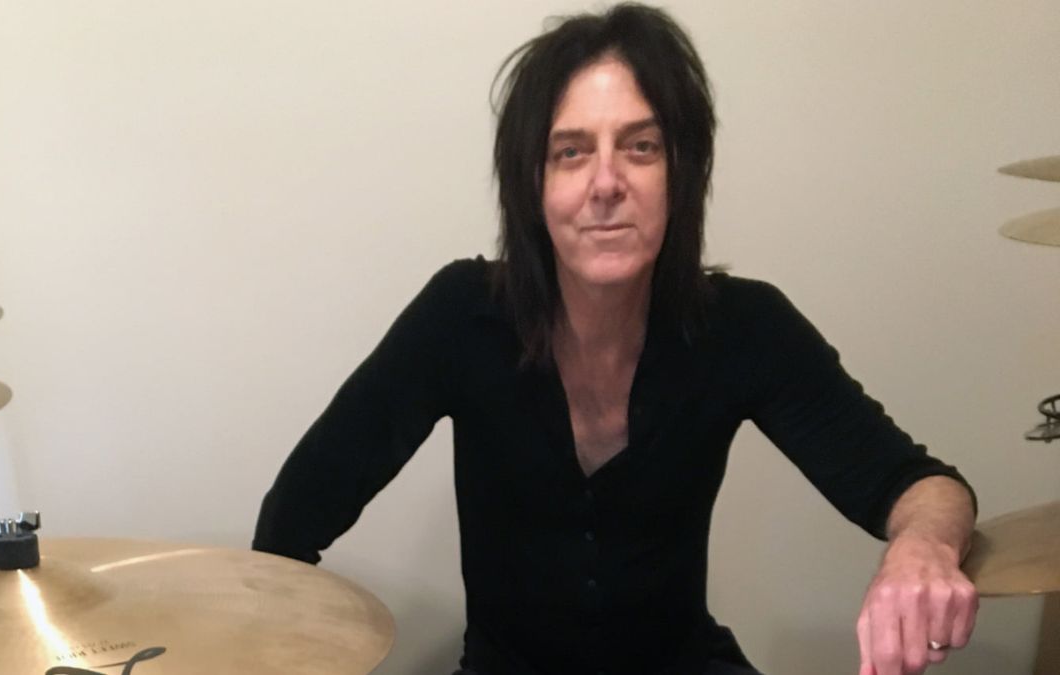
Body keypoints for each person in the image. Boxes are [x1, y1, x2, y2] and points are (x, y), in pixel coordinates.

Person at [252, 4, 979, 674]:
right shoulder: (461, 316)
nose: (606, 183)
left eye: (641, 147)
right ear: (532, 187)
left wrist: (921, 545)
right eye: (571, 152)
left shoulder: (745, 326)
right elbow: (294, 516)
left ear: (681, 174)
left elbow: (922, 485)